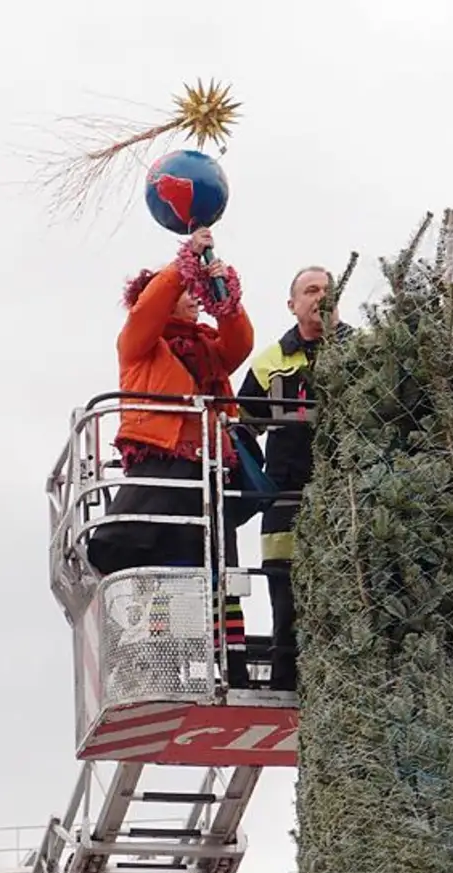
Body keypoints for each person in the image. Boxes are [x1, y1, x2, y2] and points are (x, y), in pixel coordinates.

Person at [85, 227, 256, 688]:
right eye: (186, 292)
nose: (193, 297)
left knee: (218, 572)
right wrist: (184, 264)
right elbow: (150, 307)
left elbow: (240, 343)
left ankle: (233, 667)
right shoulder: (140, 342)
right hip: (162, 462)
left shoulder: (207, 348)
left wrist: (225, 298)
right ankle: (151, 660)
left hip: (208, 470)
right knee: (141, 555)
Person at [237, 265, 354, 692]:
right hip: (285, 501)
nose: (320, 296)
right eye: (311, 290)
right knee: (285, 601)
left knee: (348, 597)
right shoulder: (270, 363)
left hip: (349, 501)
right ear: (292, 305)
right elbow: (241, 428)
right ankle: (286, 685)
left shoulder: (362, 354)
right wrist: (254, 487)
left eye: (327, 290)